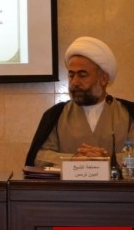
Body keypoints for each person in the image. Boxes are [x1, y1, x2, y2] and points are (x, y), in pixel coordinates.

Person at [26, 36, 134, 167]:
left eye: (82, 75)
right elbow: (39, 157)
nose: (74, 82)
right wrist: (72, 159)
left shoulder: (128, 113)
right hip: (69, 182)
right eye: (71, 75)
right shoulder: (56, 114)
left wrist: (110, 160)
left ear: (104, 78)